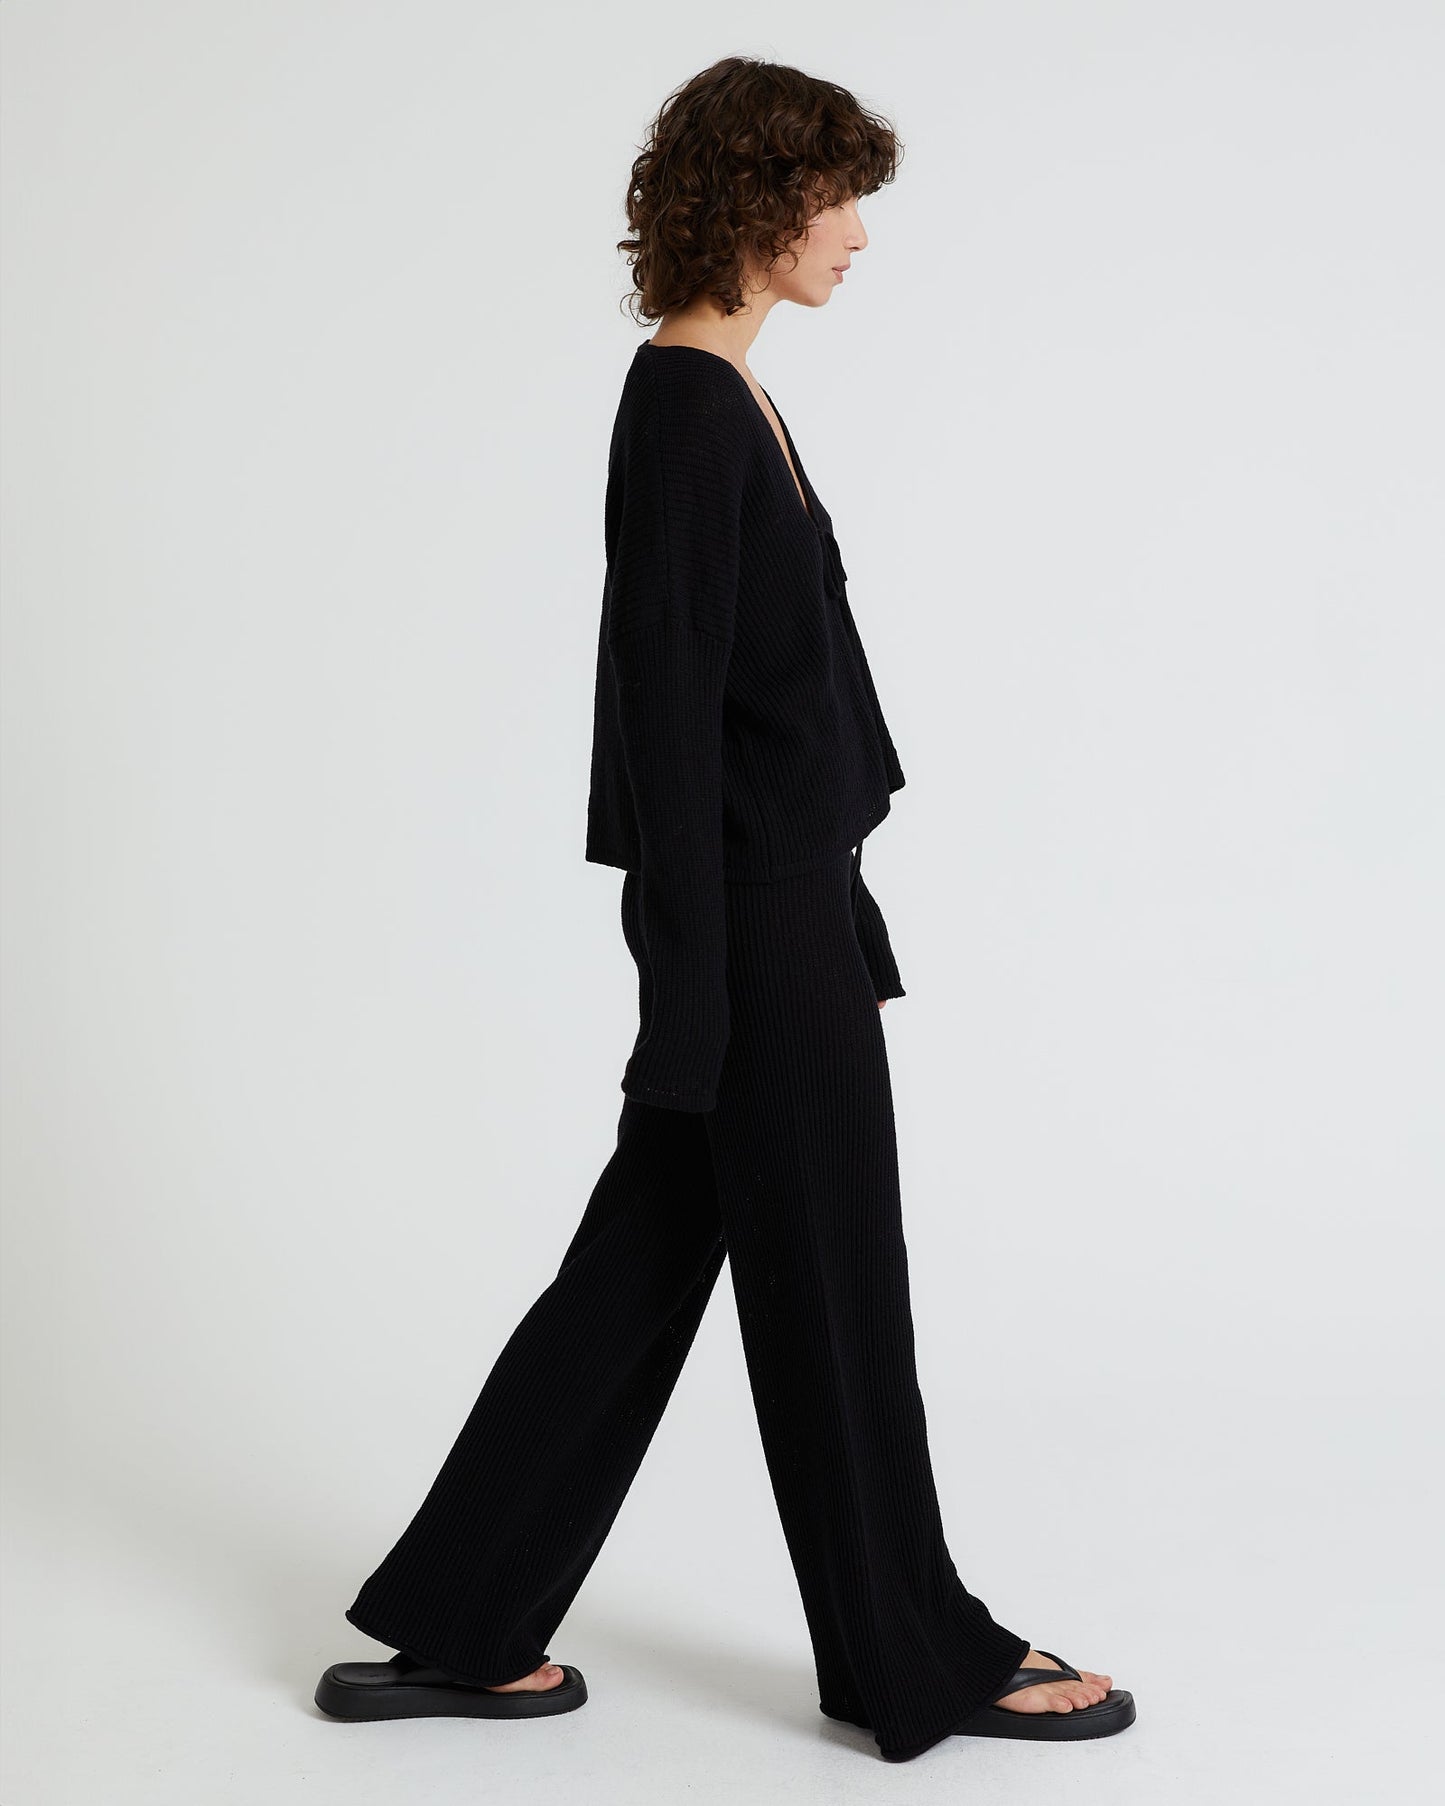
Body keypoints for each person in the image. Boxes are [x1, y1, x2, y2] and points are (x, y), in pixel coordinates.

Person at [313, 55, 1135, 1765]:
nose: (855, 236)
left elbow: (762, 708)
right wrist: (689, 984)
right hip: (752, 934)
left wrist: (802, 921)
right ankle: (913, 1652)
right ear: (755, 204)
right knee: (837, 1297)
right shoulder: (687, 407)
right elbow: (663, 712)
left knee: (634, 1274)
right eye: (832, 201)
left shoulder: (729, 391)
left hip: (784, 909)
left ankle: (464, 1622)